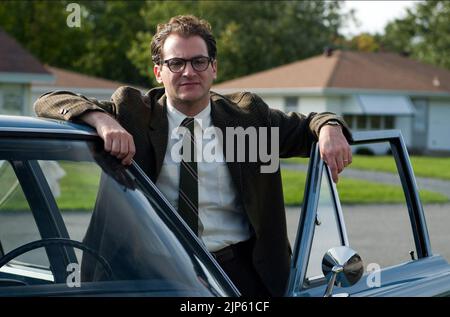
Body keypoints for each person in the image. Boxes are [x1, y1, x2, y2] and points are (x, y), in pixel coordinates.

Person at [34, 15, 352, 297]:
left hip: (239, 273)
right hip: (150, 275)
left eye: (199, 61)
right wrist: (100, 119)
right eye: (176, 63)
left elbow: (312, 122)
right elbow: (48, 101)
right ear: (158, 71)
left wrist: (329, 128)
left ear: (213, 68)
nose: (188, 71)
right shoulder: (131, 112)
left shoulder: (248, 116)